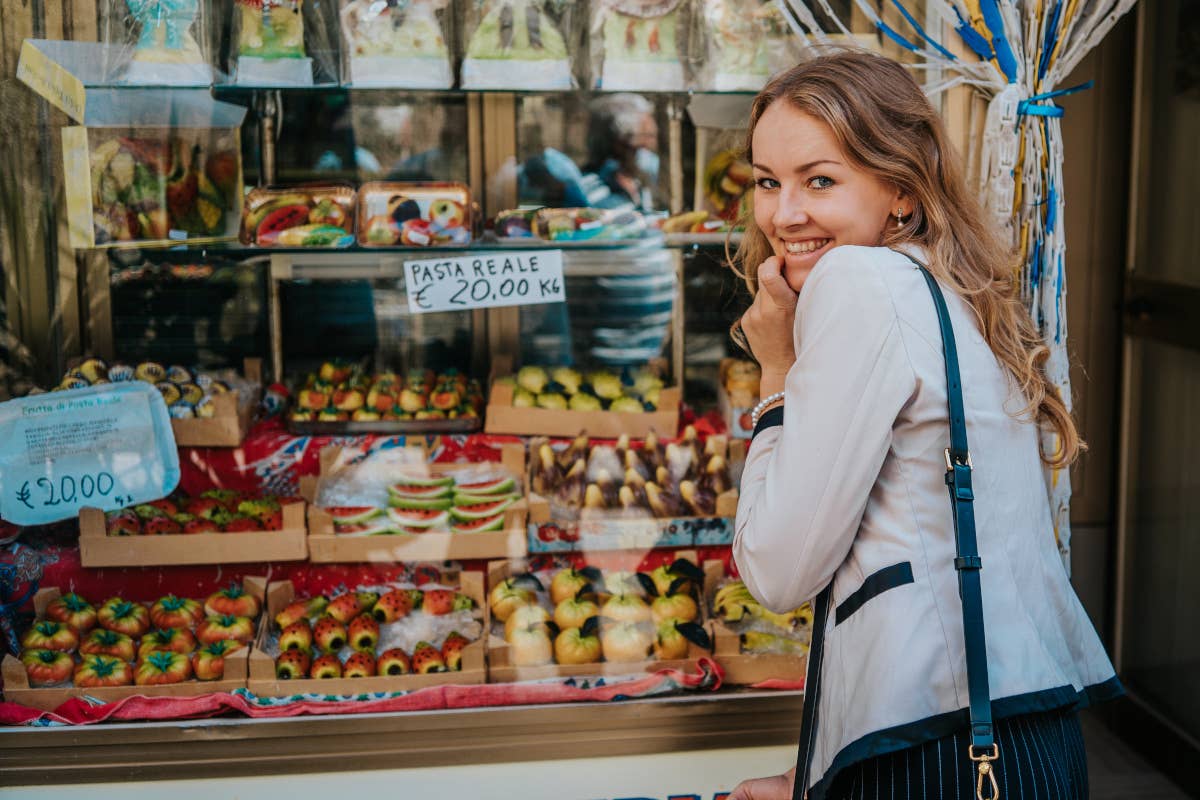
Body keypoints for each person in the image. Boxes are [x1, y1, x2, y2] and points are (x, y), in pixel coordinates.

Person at [727, 50, 1120, 800]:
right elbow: (916, 557)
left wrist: (774, 378)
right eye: (767, 182)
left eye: (820, 181)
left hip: (942, 758)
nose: (783, 215)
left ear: (900, 193)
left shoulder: (856, 281)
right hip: (1022, 738)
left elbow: (777, 571)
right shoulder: (949, 292)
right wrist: (813, 776)